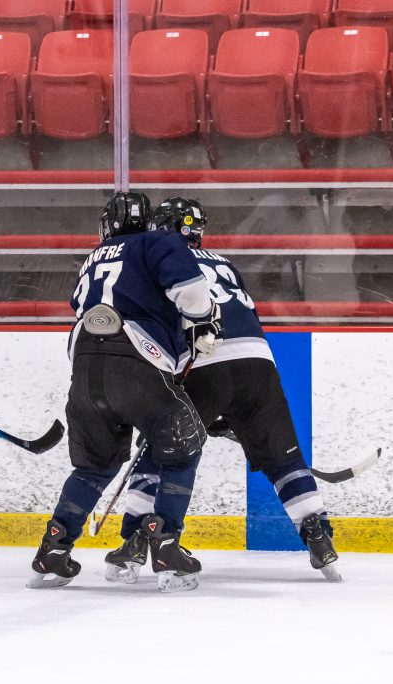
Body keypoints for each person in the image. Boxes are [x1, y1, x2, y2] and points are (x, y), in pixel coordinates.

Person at [109, 197, 340, 582]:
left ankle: (136, 539)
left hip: (203, 364)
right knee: (283, 459)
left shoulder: (159, 261)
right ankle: (318, 536)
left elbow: (159, 325)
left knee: (161, 453)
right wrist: (226, 407)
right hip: (258, 363)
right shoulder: (224, 263)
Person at [29, 191, 222, 593]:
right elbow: (191, 290)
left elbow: (83, 307)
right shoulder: (158, 241)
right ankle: (165, 542)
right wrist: (202, 323)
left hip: (85, 368)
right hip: (136, 363)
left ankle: (54, 546)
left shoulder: (92, 258)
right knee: (184, 447)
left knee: (94, 467)